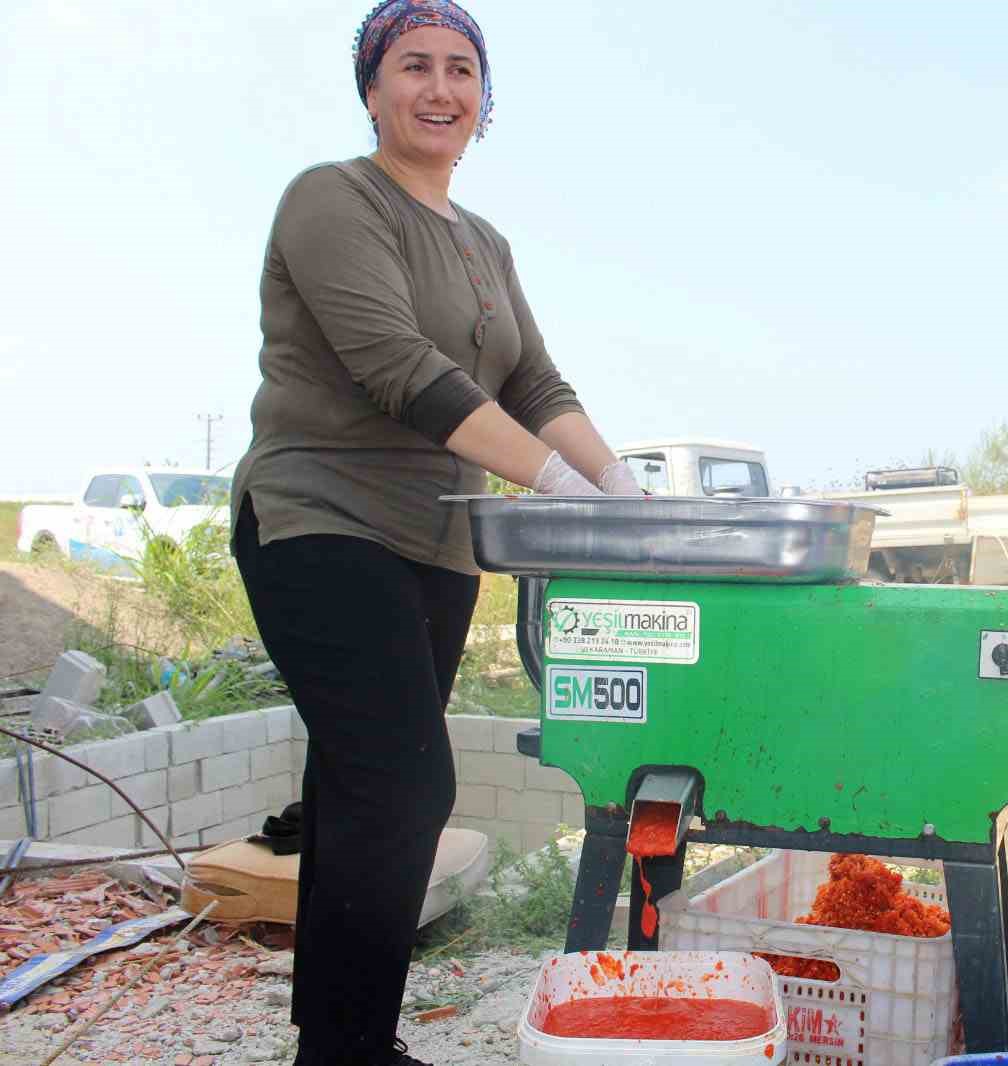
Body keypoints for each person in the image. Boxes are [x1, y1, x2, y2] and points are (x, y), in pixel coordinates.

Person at [229, 3, 642, 1063]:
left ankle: (337, 1037)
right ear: (371, 89)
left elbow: (536, 379)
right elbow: (398, 368)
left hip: (437, 539)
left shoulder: (485, 244)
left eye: (463, 69)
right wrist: (552, 481)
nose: (440, 88)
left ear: (483, 100)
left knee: (360, 784)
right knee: (407, 783)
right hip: (319, 518)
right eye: (413, 66)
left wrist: (617, 482)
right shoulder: (330, 199)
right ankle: (354, 1047)